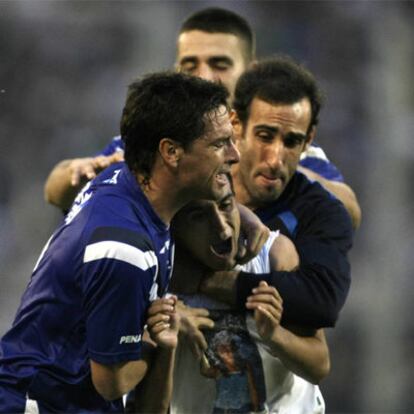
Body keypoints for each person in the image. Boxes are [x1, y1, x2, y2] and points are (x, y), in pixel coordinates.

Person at [0, 72, 239, 413]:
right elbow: (111, 382)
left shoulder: (122, 181)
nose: (234, 156)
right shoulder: (123, 247)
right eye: (219, 144)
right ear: (170, 152)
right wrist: (156, 340)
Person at [44, 7, 361, 230]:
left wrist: (277, 169)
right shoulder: (158, 143)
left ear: (249, 71)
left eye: (220, 63)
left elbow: (349, 211)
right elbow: (56, 190)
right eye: (190, 64)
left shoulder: (278, 144)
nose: (205, 76)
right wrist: (78, 171)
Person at [199, 55, 354, 331]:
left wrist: (212, 282)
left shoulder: (320, 211)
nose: (275, 158)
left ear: (309, 140)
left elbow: (321, 300)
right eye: (265, 135)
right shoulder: (196, 185)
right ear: (236, 125)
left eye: (292, 141)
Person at [152, 181, 329, 413]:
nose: (223, 229)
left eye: (226, 206)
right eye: (198, 217)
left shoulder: (274, 256)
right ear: (175, 224)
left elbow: (319, 366)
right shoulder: (152, 278)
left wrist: (275, 335)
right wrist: (166, 337)